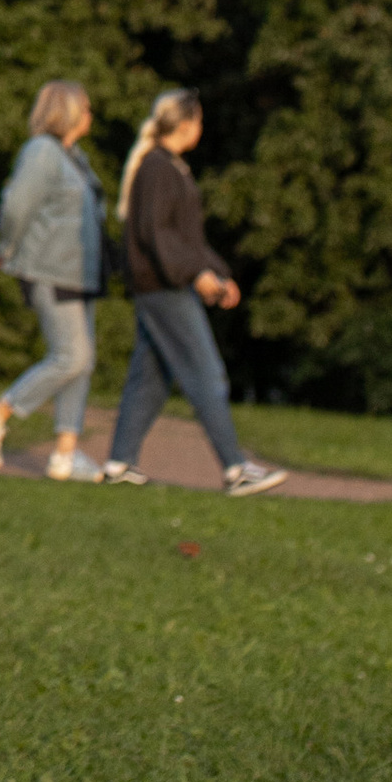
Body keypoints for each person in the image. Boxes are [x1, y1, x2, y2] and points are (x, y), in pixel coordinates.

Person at [102, 92, 287, 495]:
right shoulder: (157, 168)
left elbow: (187, 237)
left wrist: (218, 273)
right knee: (205, 372)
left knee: (148, 378)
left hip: (166, 283)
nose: (201, 129)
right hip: (162, 287)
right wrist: (194, 274)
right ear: (184, 124)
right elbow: (157, 234)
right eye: (199, 121)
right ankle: (235, 469)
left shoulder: (171, 168)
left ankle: (119, 463)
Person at [0, 83, 107, 481]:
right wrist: (7, 248)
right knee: (71, 357)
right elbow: (17, 205)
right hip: (50, 269)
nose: (92, 115)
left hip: (79, 273)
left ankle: (65, 455)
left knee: (82, 362)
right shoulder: (42, 151)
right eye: (86, 108)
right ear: (67, 112)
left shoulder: (75, 158)